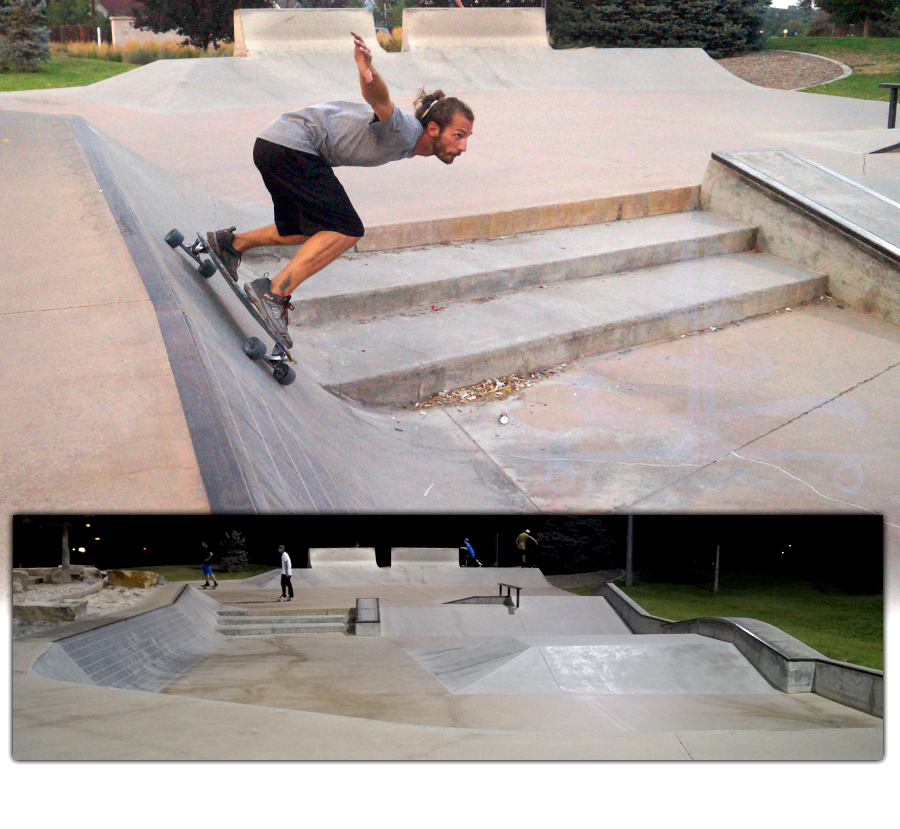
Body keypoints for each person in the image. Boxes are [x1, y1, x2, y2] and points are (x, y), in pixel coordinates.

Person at [206, 31, 474, 348]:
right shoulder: (405, 130)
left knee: (314, 232)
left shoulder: (408, 138)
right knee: (347, 229)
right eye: (458, 135)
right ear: (433, 129)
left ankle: (232, 244)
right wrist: (368, 72)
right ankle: (274, 293)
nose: (463, 146)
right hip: (293, 147)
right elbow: (380, 100)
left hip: (274, 144)